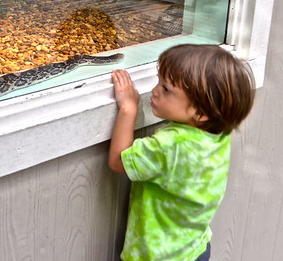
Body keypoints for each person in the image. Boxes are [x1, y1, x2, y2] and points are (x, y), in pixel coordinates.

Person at [109, 44, 255, 260]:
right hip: (196, 248)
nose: (155, 90)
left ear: (201, 112)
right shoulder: (219, 134)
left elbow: (118, 162)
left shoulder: (171, 145)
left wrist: (128, 108)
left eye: (166, 89)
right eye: (159, 81)